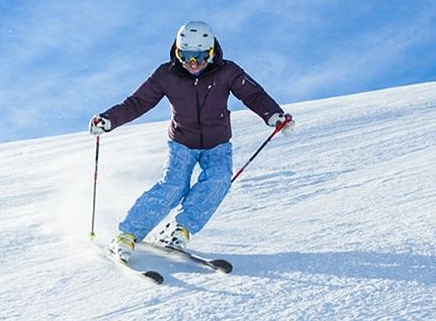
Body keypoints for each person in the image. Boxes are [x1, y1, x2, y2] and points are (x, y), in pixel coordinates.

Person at [89, 20, 292, 263]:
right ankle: (127, 235)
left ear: (211, 53)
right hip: (182, 142)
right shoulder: (166, 75)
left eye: (199, 56)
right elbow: (138, 102)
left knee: (218, 181)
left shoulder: (228, 72)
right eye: (186, 56)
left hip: (217, 143)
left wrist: (273, 114)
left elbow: (253, 94)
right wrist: (109, 120)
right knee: (173, 186)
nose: (193, 63)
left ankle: (179, 230)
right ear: (177, 51)